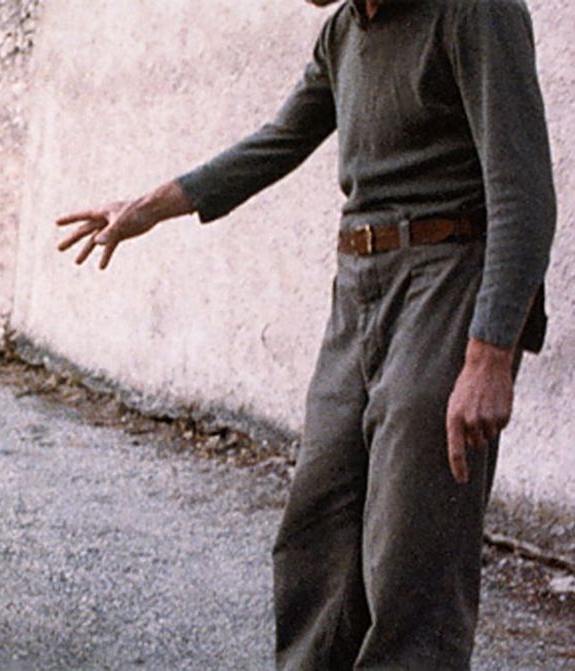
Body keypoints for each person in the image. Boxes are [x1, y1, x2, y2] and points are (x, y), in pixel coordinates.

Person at [56, 0, 555, 668]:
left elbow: (524, 194)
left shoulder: (474, 11)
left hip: (448, 279)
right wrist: (145, 208)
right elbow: (276, 140)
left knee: (412, 550)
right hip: (359, 284)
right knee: (315, 531)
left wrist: (492, 352)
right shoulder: (343, 33)